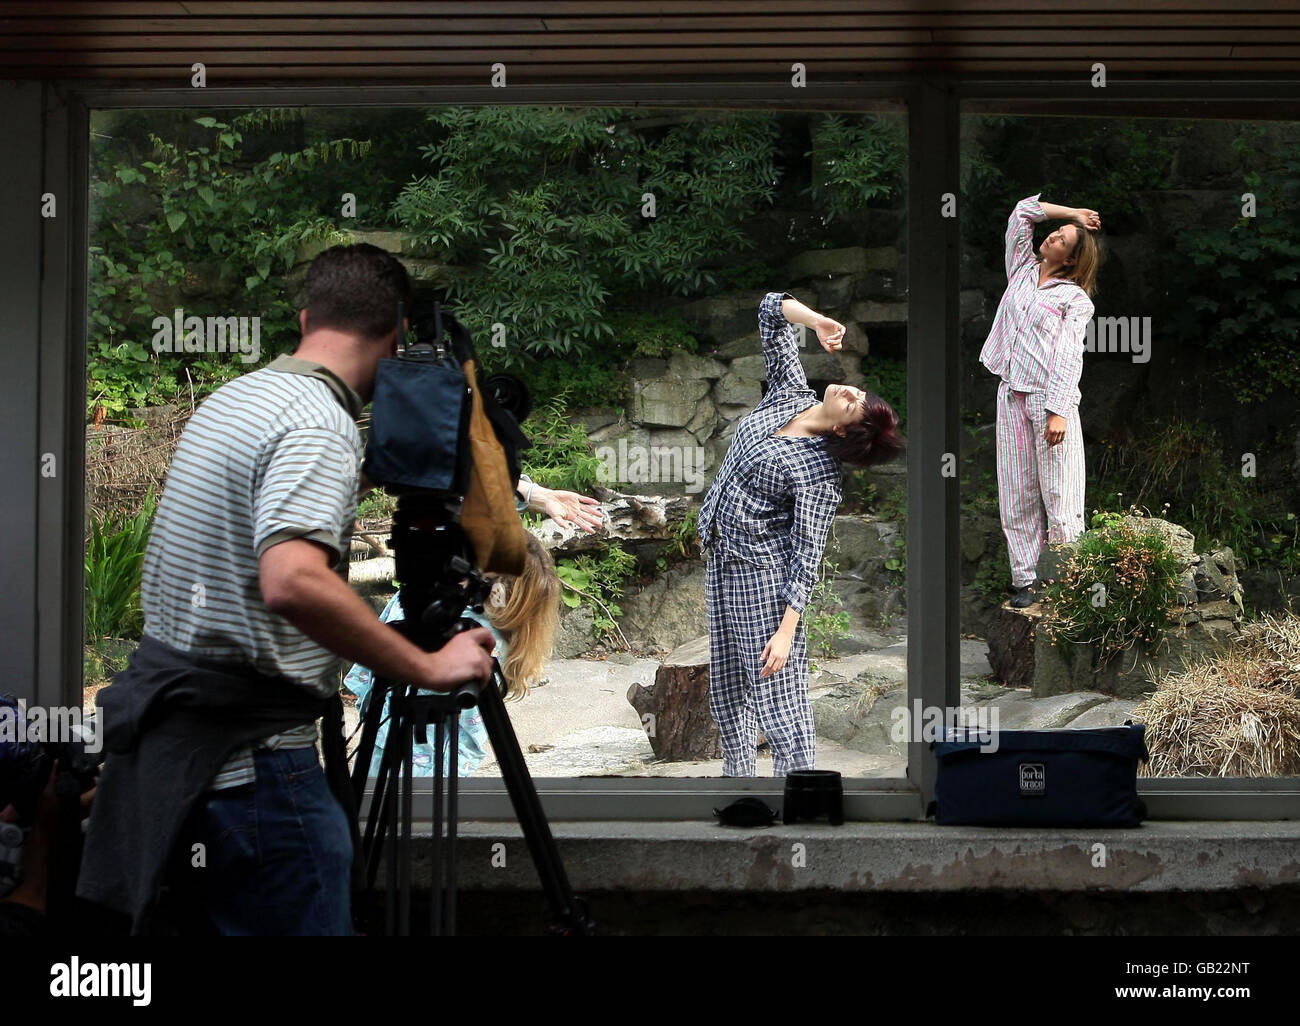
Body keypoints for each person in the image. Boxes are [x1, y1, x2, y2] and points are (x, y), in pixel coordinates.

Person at [77, 244, 497, 936]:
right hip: (259, 778)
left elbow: (251, 529)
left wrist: (375, 470)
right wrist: (426, 665)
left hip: (188, 762)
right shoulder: (319, 425)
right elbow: (291, 580)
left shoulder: (239, 399)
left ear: (307, 318)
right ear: (395, 338)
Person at [696, 291, 904, 777]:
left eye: (855, 406)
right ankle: (740, 787)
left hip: (763, 581)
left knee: (778, 700)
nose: (852, 393)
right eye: (860, 396)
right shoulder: (790, 396)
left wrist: (786, 630)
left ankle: (800, 796)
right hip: (721, 564)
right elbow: (771, 310)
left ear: (842, 433)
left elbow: (807, 556)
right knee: (727, 691)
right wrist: (818, 321)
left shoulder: (820, 473)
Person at [344, 532, 561, 778]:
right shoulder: (416, 602)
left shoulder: (483, 641)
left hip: (425, 770)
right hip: (387, 751)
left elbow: (467, 735)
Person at [978, 195, 1104, 608]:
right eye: (1056, 232)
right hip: (1010, 395)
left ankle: (1070, 583)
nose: (1052, 236)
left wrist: (1058, 410)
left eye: (1062, 238)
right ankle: (1026, 582)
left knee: (1060, 494)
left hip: (1049, 403)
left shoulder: (1074, 300)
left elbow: (1069, 355)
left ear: (1070, 260)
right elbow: (1021, 213)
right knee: (1016, 494)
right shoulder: (1021, 271)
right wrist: (1073, 213)